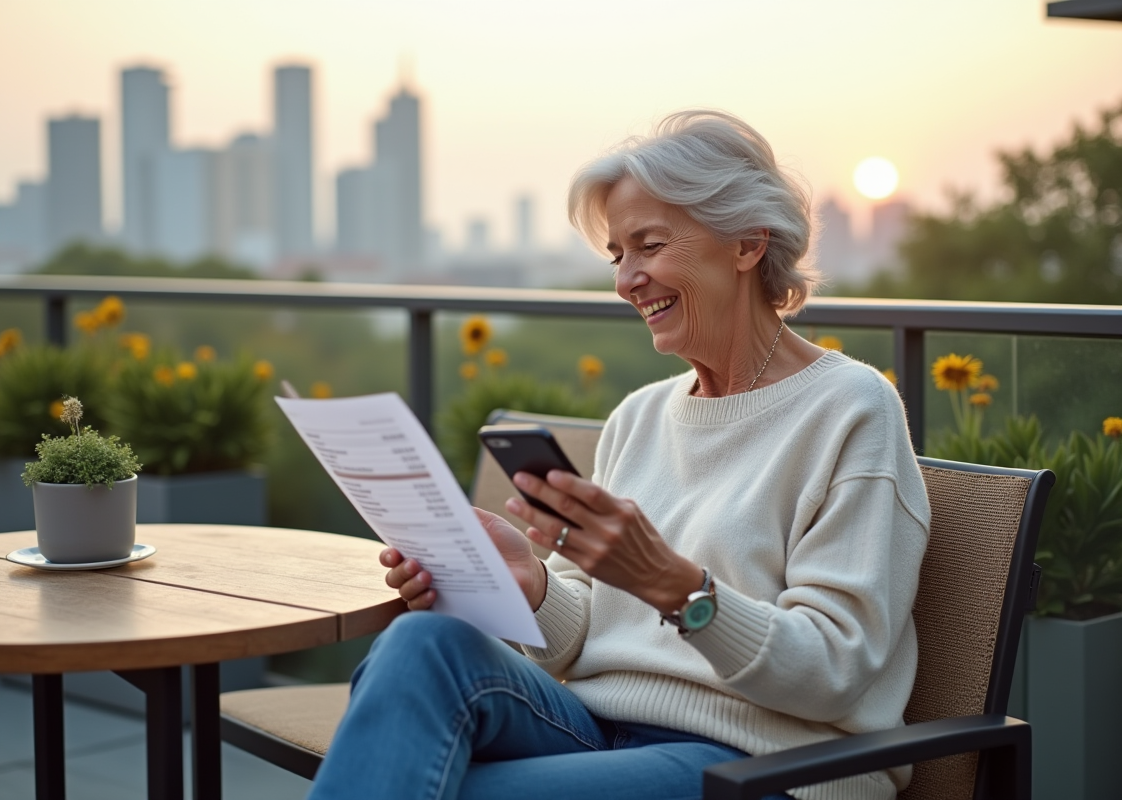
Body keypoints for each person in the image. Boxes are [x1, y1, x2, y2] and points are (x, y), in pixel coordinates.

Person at [307, 110, 929, 800]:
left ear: (748, 244)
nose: (627, 279)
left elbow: (834, 670)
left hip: (760, 764)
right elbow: (584, 641)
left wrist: (673, 585)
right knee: (417, 647)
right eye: (617, 255)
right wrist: (532, 587)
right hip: (599, 729)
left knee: (419, 778)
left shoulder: (851, 408)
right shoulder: (640, 415)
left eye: (650, 246)